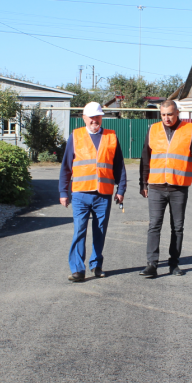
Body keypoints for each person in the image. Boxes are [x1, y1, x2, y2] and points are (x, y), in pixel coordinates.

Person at [59, 102, 127, 282]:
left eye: (97, 116)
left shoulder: (111, 136)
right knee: (79, 230)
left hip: (103, 194)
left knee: (100, 231)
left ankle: (96, 265)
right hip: (81, 194)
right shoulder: (76, 136)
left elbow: (119, 165)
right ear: (84, 118)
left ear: (101, 118)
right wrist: (63, 192)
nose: (94, 120)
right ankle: (77, 270)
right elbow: (66, 166)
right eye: (91, 117)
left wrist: (121, 189)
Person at [138, 100, 192, 278]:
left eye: (170, 114)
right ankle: (151, 264)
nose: (166, 118)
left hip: (179, 187)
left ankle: (174, 264)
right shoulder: (153, 130)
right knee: (154, 225)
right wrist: (142, 184)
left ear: (177, 113)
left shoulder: (189, 130)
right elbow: (145, 158)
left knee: (177, 227)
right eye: (163, 115)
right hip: (156, 186)